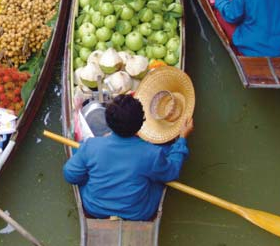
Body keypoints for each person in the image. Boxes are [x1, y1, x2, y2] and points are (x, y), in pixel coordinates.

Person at [63, 66, 194, 221]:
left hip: (94, 207)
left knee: (81, 158)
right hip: (138, 213)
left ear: (109, 124)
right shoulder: (152, 153)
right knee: (161, 169)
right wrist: (182, 139)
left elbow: (70, 175)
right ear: (141, 125)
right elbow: (171, 172)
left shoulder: (90, 146)